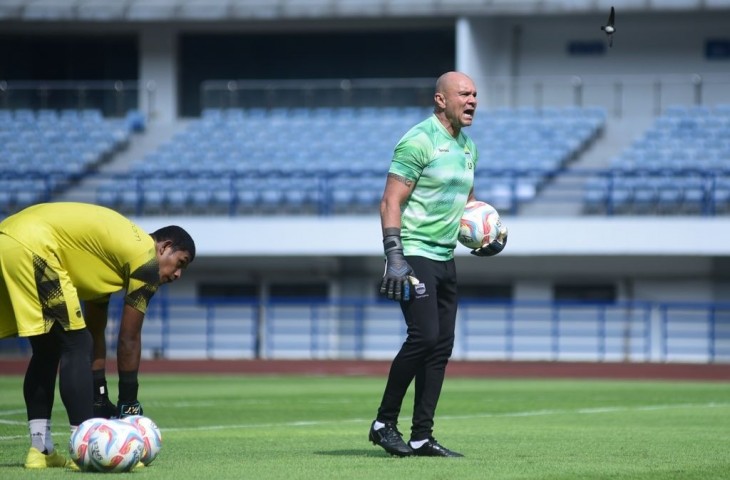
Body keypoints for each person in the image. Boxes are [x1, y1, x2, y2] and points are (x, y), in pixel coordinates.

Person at [368, 72, 507, 458]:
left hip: (446, 258)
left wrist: (484, 234)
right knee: (424, 336)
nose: (473, 100)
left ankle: (421, 437)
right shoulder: (418, 140)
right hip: (413, 253)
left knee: (440, 347)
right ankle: (383, 423)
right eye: (464, 93)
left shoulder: (468, 148)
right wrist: (394, 255)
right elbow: (389, 202)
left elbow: (469, 204)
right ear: (441, 100)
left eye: (476, 94)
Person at [0, 202, 195, 469]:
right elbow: (129, 338)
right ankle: (85, 447)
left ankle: (41, 451)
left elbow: (96, 330)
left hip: (8, 238)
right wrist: (128, 403)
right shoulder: (146, 259)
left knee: (48, 349)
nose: (177, 274)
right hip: (36, 246)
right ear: (164, 247)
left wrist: (99, 394)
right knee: (76, 344)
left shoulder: (109, 263)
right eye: (179, 263)